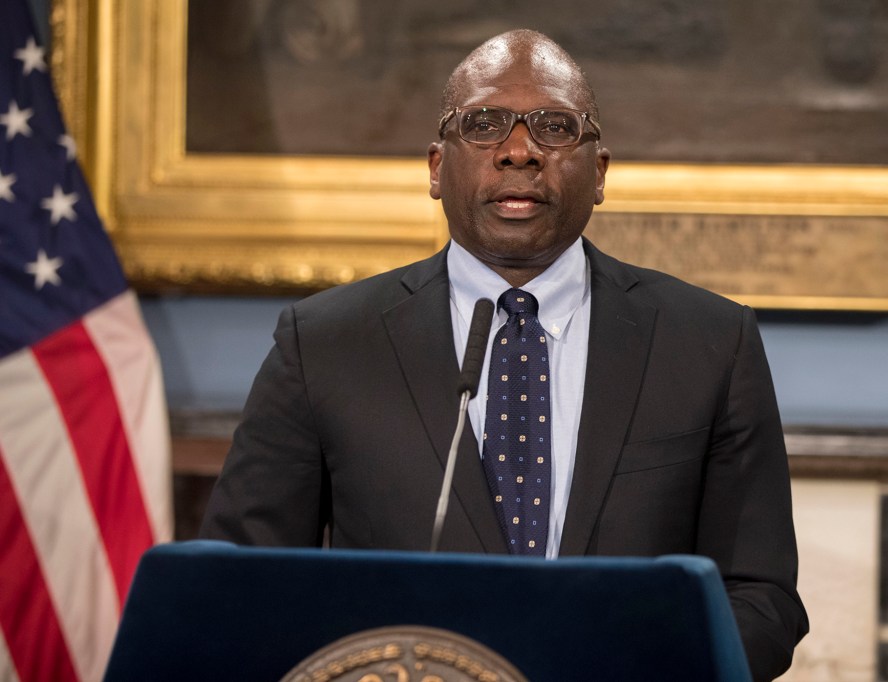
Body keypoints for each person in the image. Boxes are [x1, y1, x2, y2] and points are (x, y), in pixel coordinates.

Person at [200, 29, 808, 680]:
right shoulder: (323, 342)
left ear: (599, 172)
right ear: (436, 168)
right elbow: (239, 584)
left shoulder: (709, 341)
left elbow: (761, 597)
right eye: (484, 124)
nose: (519, 152)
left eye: (555, 127)